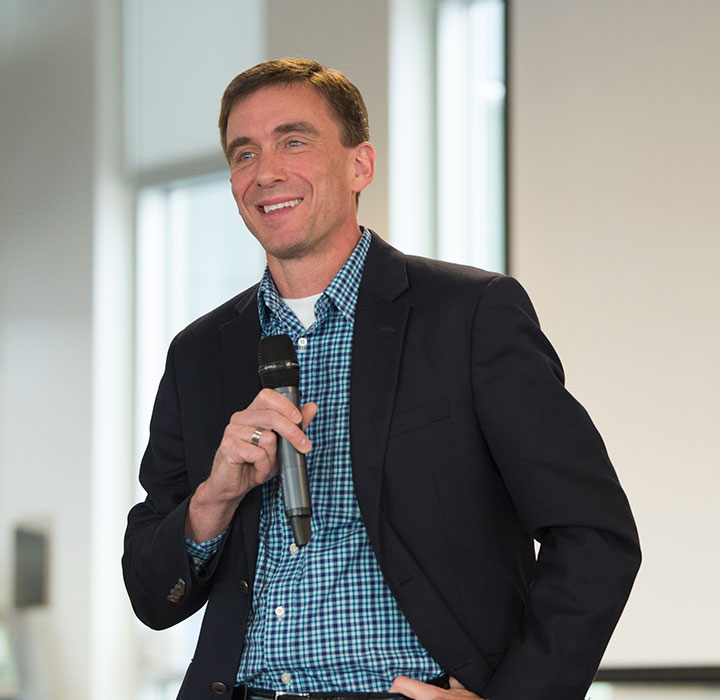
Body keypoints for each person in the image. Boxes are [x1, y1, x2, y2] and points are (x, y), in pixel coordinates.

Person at [122, 58, 640, 700]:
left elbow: (594, 535)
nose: (266, 171)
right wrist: (213, 502)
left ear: (359, 165)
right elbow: (151, 594)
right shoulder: (198, 354)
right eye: (243, 152)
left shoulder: (470, 314)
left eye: (294, 140)